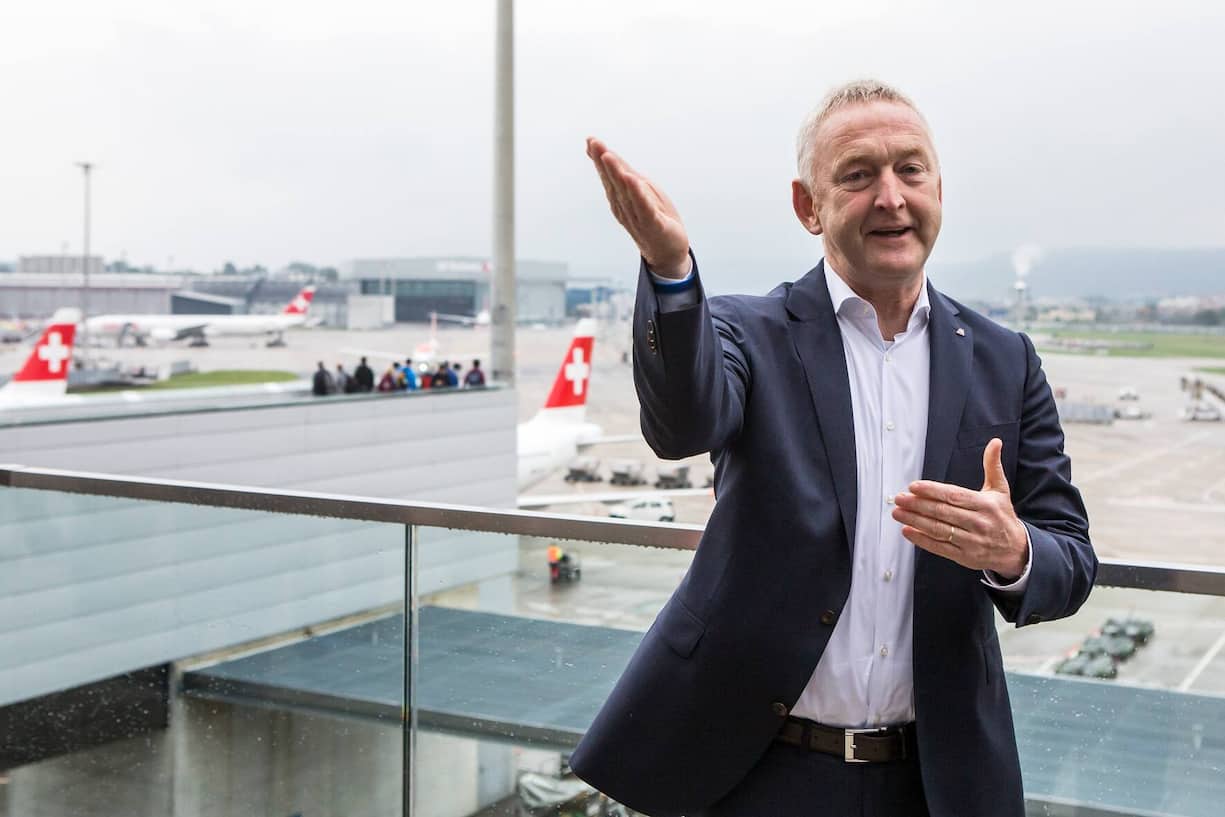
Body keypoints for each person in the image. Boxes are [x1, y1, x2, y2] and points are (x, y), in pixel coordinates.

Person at [568, 80, 1097, 817]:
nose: (890, 197)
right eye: (857, 175)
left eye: (910, 170)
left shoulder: (1006, 361)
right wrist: (669, 268)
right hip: (757, 772)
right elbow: (680, 424)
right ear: (806, 205)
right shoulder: (748, 333)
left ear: (937, 188)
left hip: (935, 782)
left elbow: (1070, 556)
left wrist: (1012, 552)